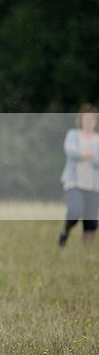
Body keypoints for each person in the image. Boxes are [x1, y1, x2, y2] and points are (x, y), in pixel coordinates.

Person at [58, 103, 99, 249]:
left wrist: (83, 153)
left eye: (91, 119)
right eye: (86, 119)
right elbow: (71, 152)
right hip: (73, 182)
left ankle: (86, 253)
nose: (88, 122)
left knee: (91, 222)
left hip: (93, 184)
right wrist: (91, 154)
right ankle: (65, 232)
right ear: (81, 120)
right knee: (75, 210)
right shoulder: (73, 135)